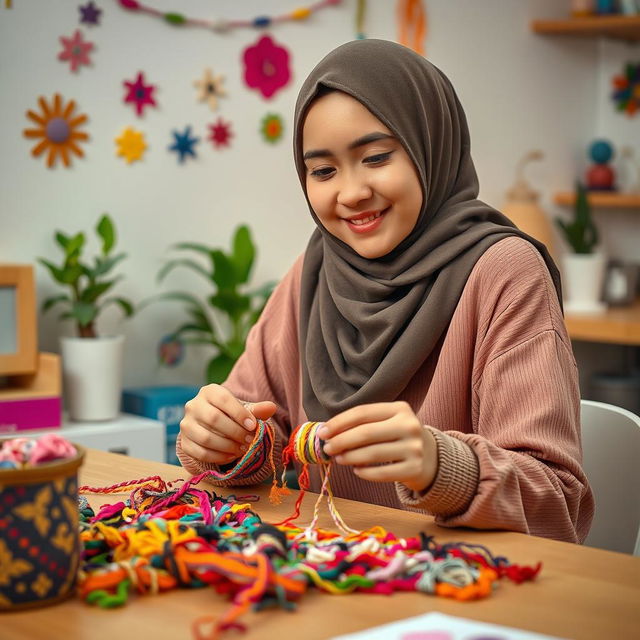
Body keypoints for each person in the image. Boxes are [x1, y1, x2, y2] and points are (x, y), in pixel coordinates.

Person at [177, 39, 594, 544]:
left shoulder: (505, 272)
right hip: (337, 578)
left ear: (429, 145)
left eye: (375, 157)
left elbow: (557, 502)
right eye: (323, 170)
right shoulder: (314, 271)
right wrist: (224, 442)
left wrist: (442, 466)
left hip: (464, 590)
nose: (350, 192)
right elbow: (255, 446)